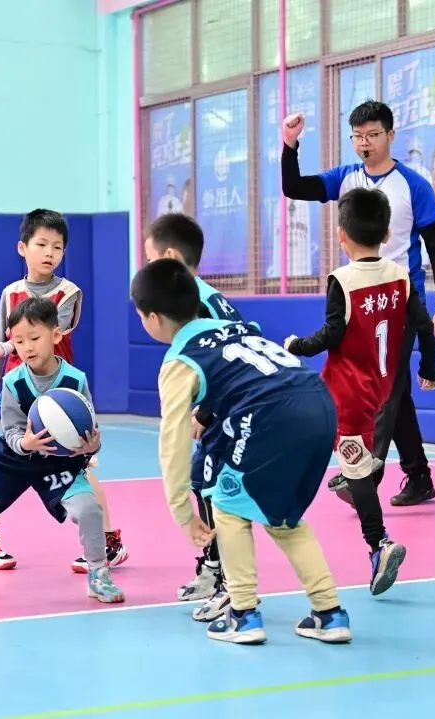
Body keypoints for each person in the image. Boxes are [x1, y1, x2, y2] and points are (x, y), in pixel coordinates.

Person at [132, 258, 350, 645]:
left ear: (152, 318)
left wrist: (182, 511)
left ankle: (243, 614)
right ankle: (329, 613)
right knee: (283, 520)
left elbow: (173, 440)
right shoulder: (237, 328)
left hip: (272, 415)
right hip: (319, 403)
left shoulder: (180, 361)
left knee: (228, 508)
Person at [281, 100, 435, 508]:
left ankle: (365, 475)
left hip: (400, 302)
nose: (364, 143)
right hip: (360, 302)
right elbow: (294, 188)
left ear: (391, 135)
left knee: (387, 386)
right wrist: (289, 144)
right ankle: (419, 476)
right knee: (395, 389)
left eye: (373, 135)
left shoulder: (414, 185)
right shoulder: (345, 178)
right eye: (357, 136)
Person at [0, 296, 125, 603]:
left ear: (56, 335)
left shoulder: (75, 380)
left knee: (89, 509)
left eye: (34, 338)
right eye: (19, 342)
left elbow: (90, 429)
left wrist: (91, 446)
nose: (27, 347)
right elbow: (10, 430)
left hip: (58, 462)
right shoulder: (13, 381)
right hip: (15, 458)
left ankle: (98, 572)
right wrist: (25, 444)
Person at [284, 188, 431, 595]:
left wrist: (297, 345)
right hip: (380, 388)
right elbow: (421, 324)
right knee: (327, 439)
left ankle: (379, 544)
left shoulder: (343, 281)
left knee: (357, 471)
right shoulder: (400, 276)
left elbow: (332, 333)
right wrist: (429, 367)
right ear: (386, 234)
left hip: (349, 395)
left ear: (340, 235)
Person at [0, 209, 127, 574]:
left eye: (57, 247)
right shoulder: (10, 294)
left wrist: (7, 346)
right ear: (22, 248)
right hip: (21, 395)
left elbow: (47, 329)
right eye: (41, 244)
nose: (49, 253)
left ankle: (108, 542)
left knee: (80, 465)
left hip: (59, 396)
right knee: (6, 465)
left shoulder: (68, 293)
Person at [143, 212, 255, 621]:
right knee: (200, 478)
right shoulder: (205, 295)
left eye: (150, 259)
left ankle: (228, 584)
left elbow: (233, 355)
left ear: (171, 257)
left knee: (215, 488)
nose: (146, 267)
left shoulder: (200, 303)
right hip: (231, 407)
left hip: (235, 411)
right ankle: (213, 567)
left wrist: (206, 412)